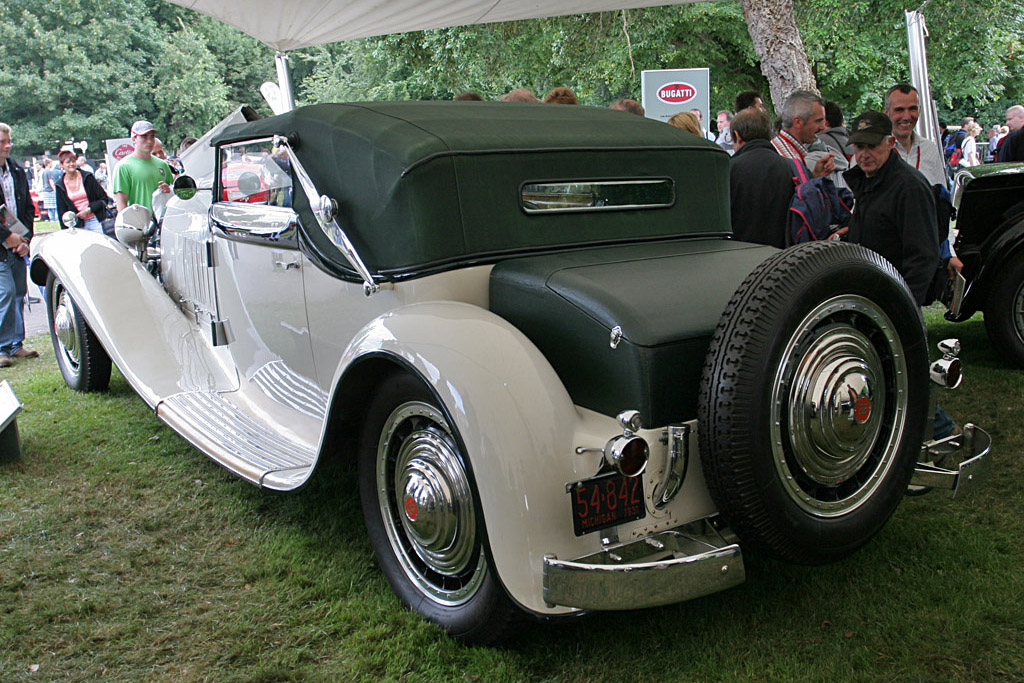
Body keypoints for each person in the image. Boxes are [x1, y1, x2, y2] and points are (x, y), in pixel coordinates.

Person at [843, 110, 939, 305]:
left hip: (895, 297)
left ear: (890, 143)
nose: (864, 154)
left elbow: (923, 255)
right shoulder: (866, 181)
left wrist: (905, 305)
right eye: (859, 147)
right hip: (870, 293)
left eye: (872, 146)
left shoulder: (909, 187)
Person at [882, 83, 962, 276]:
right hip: (885, 255)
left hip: (922, 258)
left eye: (912, 109)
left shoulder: (930, 150)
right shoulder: (874, 152)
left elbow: (942, 209)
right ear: (886, 112)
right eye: (899, 110)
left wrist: (949, 252)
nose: (906, 116)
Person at [728, 109, 796, 248]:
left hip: (738, 254)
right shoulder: (790, 168)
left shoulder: (729, 169)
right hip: (782, 256)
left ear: (737, 135)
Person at [0, 122, 37, 367]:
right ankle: (2, 347)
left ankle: (15, 345)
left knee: (20, 292)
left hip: (17, 242)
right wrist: (6, 237)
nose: (8, 145)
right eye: (2, 142)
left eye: (9, 140)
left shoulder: (16, 170)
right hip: (2, 244)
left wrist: (24, 239)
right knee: (6, 292)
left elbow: (26, 209)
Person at [771, 90, 835, 178]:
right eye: (818, 121)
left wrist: (815, 176)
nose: (822, 127)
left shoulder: (786, 151)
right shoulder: (786, 159)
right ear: (798, 122)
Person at [112, 120, 174, 213]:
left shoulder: (163, 164)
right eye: (144, 137)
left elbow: (173, 195)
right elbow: (121, 203)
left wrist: (168, 190)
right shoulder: (123, 166)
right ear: (134, 139)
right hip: (140, 224)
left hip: (165, 222)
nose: (149, 141)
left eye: (152, 136)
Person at [54, 150, 108, 233]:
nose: (71, 164)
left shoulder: (87, 177)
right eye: (68, 162)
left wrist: (89, 210)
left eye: (73, 161)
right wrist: (65, 230)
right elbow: (61, 210)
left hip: (95, 220)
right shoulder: (59, 185)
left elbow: (104, 198)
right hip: (76, 224)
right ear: (61, 165)